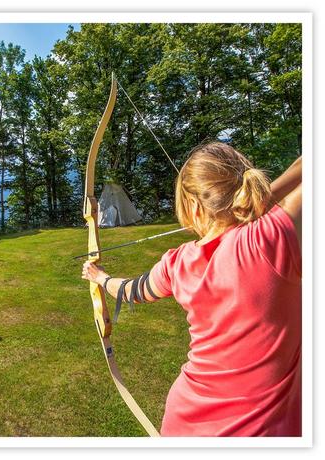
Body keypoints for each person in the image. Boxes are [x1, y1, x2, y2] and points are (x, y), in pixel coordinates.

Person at [82, 142, 302, 437]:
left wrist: (100, 278)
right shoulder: (268, 239)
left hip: (184, 425)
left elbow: (131, 290)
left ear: (195, 207)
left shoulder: (177, 263)